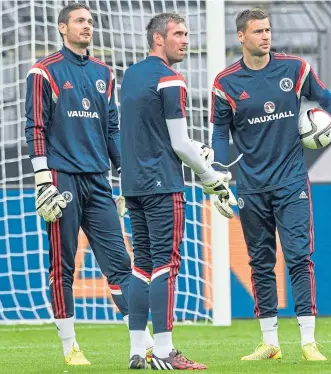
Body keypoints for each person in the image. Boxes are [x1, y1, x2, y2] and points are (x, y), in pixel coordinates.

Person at [211, 8, 331, 361]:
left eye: (268, 30)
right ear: (242, 37)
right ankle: (270, 343)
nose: (266, 36)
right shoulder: (225, 83)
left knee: (299, 257)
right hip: (250, 185)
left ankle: (309, 341)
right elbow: (220, 131)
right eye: (258, 31)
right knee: (260, 261)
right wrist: (218, 174)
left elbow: (326, 100)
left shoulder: (295, 69)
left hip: (292, 181)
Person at [24, 3, 153, 366]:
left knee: (120, 265)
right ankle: (70, 347)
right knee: (63, 267)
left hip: (99, 182)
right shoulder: (43, 71)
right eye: (80, 21)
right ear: (62, 27)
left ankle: (138, 345)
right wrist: (42, 179)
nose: (88, 27)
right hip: (61, 181)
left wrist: (126, 174)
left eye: (91, 22)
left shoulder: (104, 73)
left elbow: (112, 129)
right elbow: (34, 127)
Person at [119, 12, 234, 370]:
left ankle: (138, 350)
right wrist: (209, 176)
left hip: (133, 183)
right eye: (179, 34)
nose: (186, 40)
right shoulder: (171, 80)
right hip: (162, 184)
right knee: (165, 265)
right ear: (158, 39)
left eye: (187, 34)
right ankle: (165, 351)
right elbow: (181, 143)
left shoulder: (130, 75)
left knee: (140, 265)